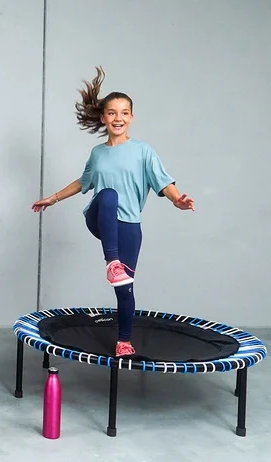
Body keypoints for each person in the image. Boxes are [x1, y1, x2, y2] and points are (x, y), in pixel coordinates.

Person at [32, 67, 195, 357]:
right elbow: (84, 182)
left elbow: (164, 182)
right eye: (111, 112)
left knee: (125, 289)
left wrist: (176, 200)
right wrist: (52, 199)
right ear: (103, 117)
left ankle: (124, 340)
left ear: (131, 117)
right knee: (107, 195)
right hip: (99, 218)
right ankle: (112, 261)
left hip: (128, 227)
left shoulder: (144, 151)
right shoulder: (98, 153)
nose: (117, 118)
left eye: (123, 113)